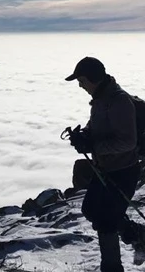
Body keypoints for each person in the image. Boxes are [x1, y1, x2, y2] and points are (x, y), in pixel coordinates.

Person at [66, 57, 143, 271]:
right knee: (90, 209)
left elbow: (128, 142)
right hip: (106, 168)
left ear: (93, 78)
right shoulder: (100, 100)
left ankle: (111, 267)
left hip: (123, 170)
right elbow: (97, 130)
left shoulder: (119, 102)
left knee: (106, 222)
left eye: (81, 80)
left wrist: (94, 146)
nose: (80, 85)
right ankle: (139, 237)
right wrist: (83, 137)